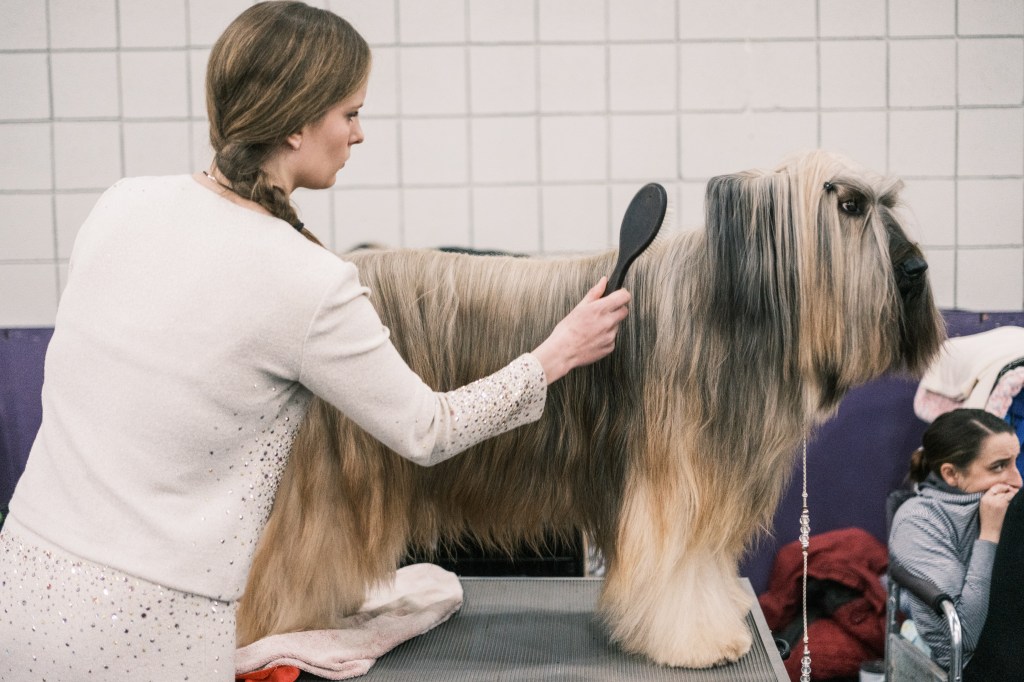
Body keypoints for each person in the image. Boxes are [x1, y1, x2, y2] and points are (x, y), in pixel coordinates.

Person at [0, 3, 631, 679]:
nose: (358, 134)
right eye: (349, 113)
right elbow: (428, 431)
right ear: (298, 123)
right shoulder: (309, 281)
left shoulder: (120, 201)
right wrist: (555, 353)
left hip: (20, 587)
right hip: (155, 632)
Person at [888, 408, 1021, 673]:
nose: (1017, 479)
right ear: (951, 474)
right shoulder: (918, 521)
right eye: (999, 466)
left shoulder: (1009, 503)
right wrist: (990, 534)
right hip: (975, 661)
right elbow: (965, 636)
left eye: (1016, 462)